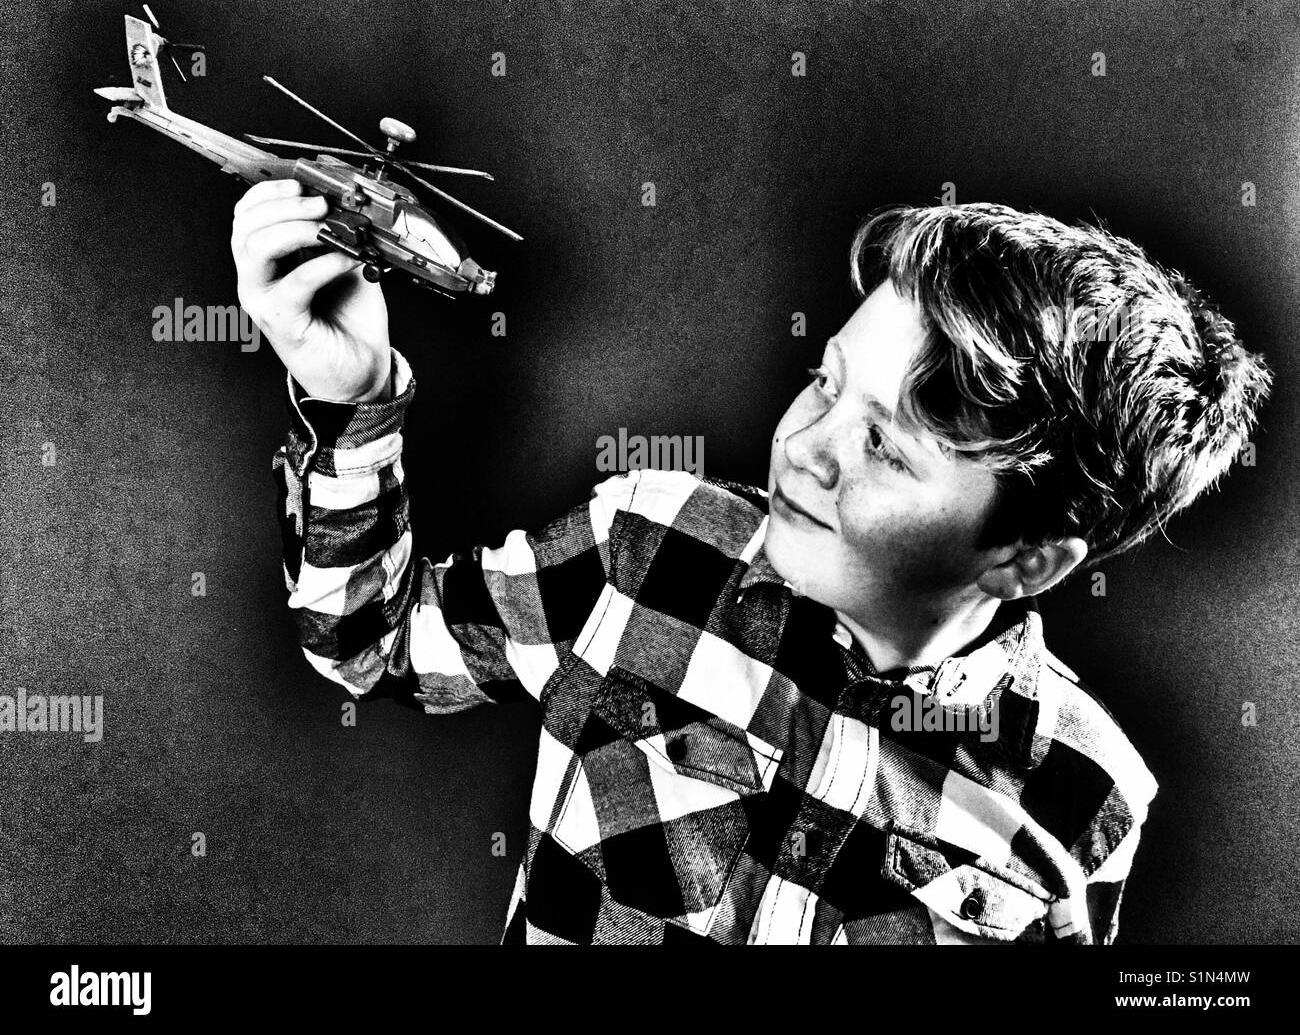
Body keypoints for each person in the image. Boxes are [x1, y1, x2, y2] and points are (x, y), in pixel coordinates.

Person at [232, 182, 1273, 944]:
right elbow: (367, 645)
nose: (803, 448)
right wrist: (351, 400)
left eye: (885, 447)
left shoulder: (1087, 796)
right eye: (825, 383)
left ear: (1029, 559)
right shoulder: (649, 548)